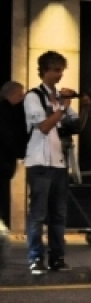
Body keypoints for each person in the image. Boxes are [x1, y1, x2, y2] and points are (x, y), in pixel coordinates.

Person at [24, 51, 91, 273]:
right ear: (44, 71)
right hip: (39, 163)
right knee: (38, 213)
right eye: (55, 70)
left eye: (61, 70)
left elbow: (76, 126)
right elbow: (44, 126)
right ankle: (36, 258)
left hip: (59, 163)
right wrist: (62, 106)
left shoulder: (60, 98)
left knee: (58, 214)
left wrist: (85, 108)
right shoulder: (34, 97)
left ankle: (57, 258)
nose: (59, 75)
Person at [0, 81, 26, 229]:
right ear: (11, 95)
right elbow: (9, 137)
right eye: (20, 94)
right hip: (3, 163)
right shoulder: (7, 113)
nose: (22, 98)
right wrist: (21, 151)